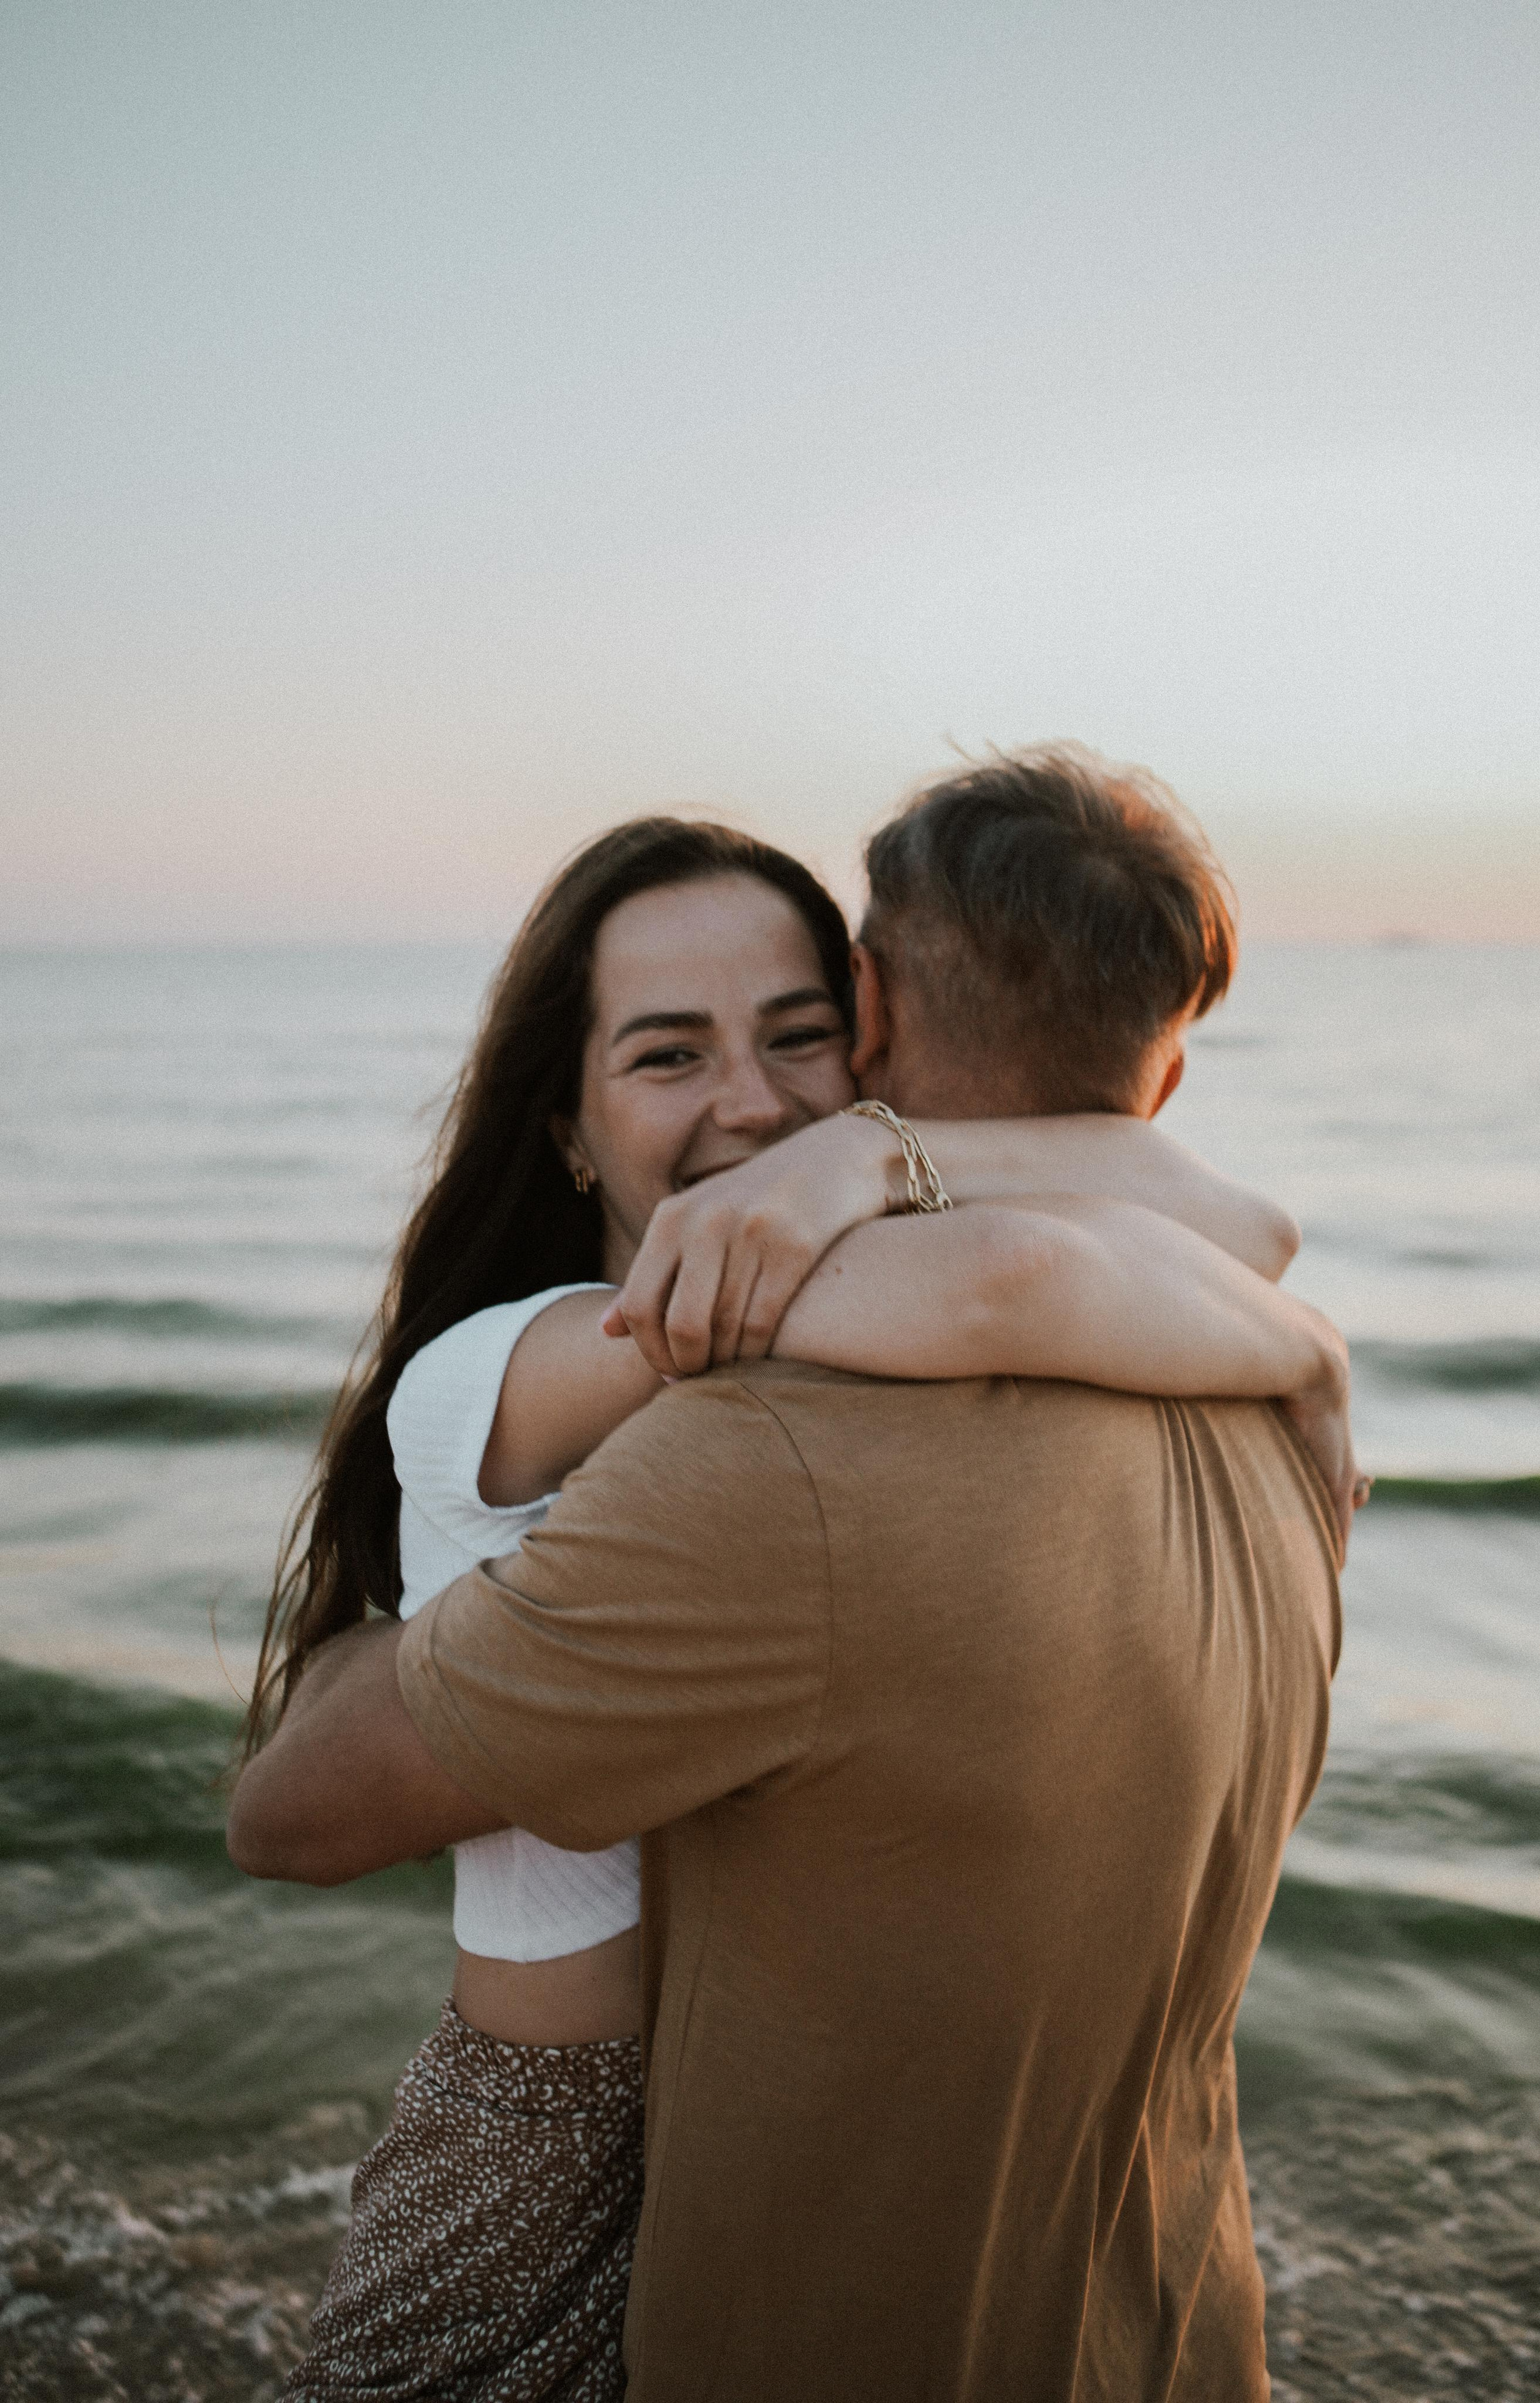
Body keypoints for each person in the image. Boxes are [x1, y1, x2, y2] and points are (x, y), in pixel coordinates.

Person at [233, 748, 1350, 2401]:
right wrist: (1306, 1350)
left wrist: (873, 1171)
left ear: (874, 1017)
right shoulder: (1226, 1401)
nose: (753, 1110)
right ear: (568, 1122)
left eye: (798, 1035)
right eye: (668, 1054)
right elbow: (1076, 1252)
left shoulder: (793, 1457)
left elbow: (1027, 1265)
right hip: (1140, 2294)